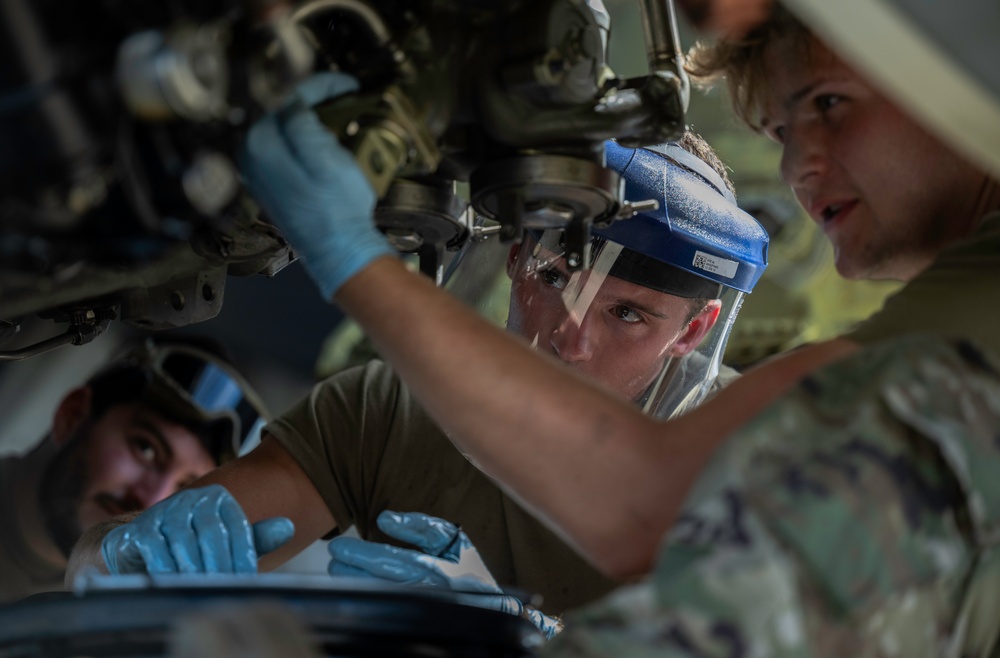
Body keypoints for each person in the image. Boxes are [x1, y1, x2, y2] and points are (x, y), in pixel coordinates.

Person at [69, 129, 768, 620]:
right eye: (554, 277)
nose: (569, 339)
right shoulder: (389, 411)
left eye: (628, 316)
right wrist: (118, 556)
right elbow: (100, 571)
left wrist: (536, 646)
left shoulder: (754, 469)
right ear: (518, 257)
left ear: (693, 333)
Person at [0, 336, 268, 603]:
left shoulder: (110, 620)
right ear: (73, 416)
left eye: (185, 489)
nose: (151, 501)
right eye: (146, 449)